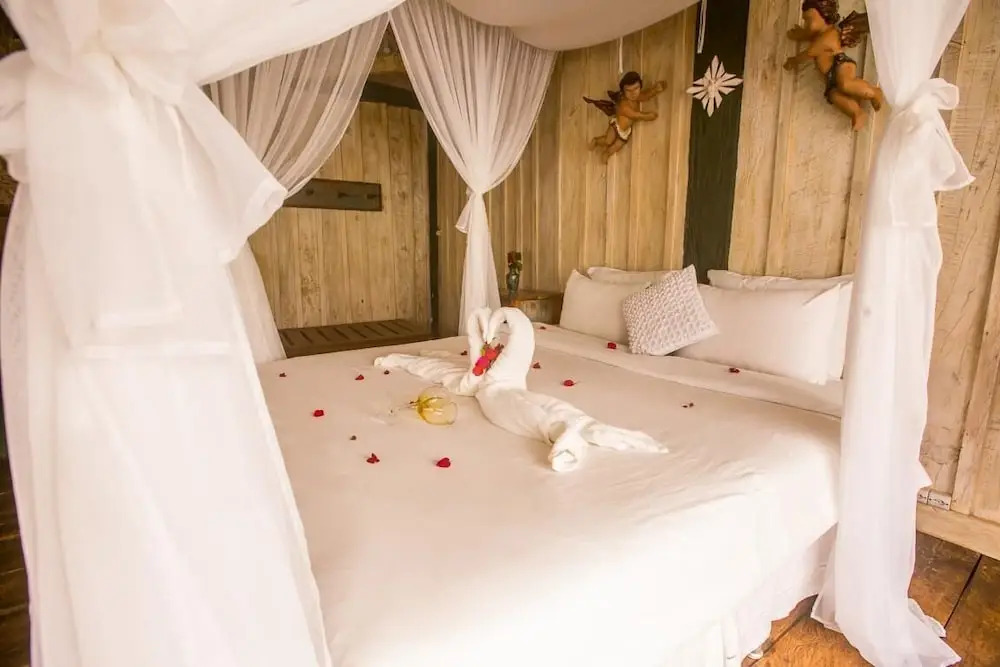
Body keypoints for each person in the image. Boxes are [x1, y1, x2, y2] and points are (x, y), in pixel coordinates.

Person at [783, 0, 885, 130]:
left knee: (846, 84)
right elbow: (809, 33)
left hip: (840, 64)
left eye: (809, 19)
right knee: (834, 96)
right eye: (805, 20)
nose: (806, 24)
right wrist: (800, 34)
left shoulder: (829, 36)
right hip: (830, 76)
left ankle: (874, 92)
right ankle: (857, 113)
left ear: (824, 16)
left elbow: (810, 53)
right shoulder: (818, 34)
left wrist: (793, 61)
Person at [585, 71, 666, 162]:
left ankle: (607, 153)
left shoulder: (636, 97)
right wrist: (648, 116)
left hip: (625, 131)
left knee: (617, 146)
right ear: (623, 91)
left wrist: (655, 90)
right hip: (616, 127)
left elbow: (645, 96)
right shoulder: (624, 106)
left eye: (636, 88)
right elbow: (636, 115)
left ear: (640, 86)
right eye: (628, 90)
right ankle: (596, 141)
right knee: (608, 141)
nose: (633, 93)